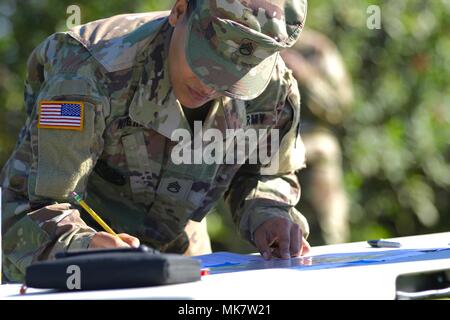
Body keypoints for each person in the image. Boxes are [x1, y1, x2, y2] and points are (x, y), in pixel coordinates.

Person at [1, 0, 310, 282]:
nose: (213, 85)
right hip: (81, 263)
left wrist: (270, 216)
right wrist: (84, 246)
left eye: (237, 77)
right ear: (179, 11)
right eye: (207, 61)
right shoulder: (86, 73)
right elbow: (23, 213)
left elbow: (266, 176)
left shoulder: (272, 92)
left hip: (184, 258)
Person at [281, 29, 354, 244]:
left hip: (309, 143)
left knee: (325, 148)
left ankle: (329, 242)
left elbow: (339, 107)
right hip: (262, 142)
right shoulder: (252, 40)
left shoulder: (316, 50)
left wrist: (304, 74)